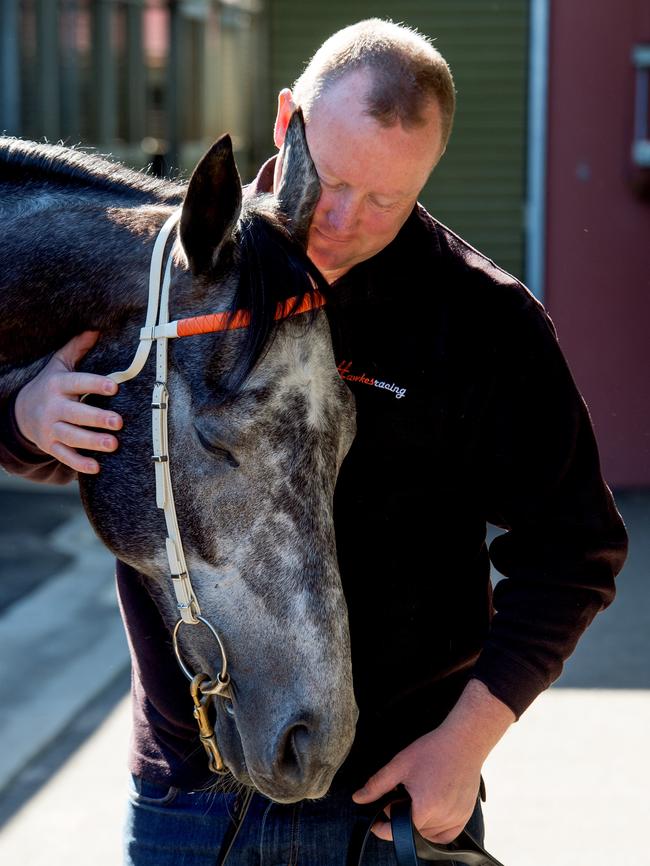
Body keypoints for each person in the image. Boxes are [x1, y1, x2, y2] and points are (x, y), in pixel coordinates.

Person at [0, 19, 627, 866]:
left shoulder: (485, 323)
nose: (342, 221)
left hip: (390, 803)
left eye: (385, 200)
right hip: (189, 798)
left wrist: (464, 748)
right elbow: (106, 454)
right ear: (287, 120)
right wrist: (26, 415)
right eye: (331, 181)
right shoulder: (174, 269)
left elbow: (574, 550)